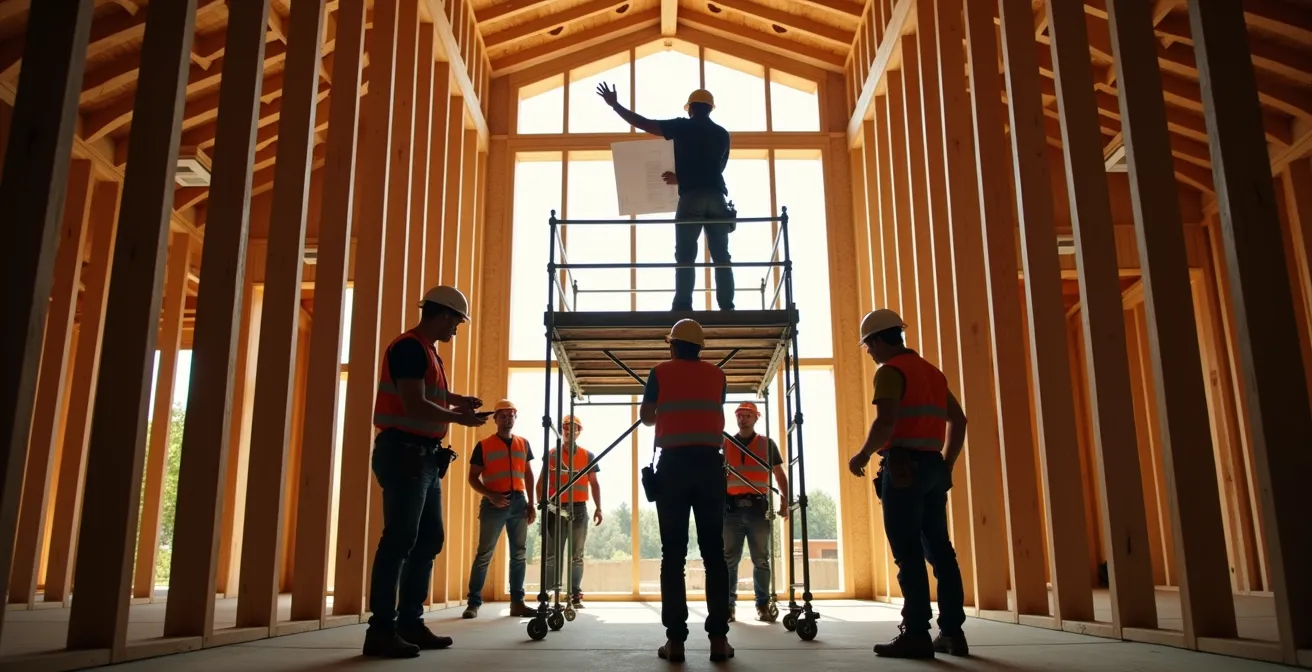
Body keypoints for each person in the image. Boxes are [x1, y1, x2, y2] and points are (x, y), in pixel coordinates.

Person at [365, 285, 489, 658]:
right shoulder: (408, 347)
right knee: (400, 540)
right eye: (457, 322)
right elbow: (412, 403)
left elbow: (425, 393)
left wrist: (456, 400)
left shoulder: (427, 352)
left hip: (422, 457)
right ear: (444, 315)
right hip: (404, 454)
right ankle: (381, 629)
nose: (456, 329)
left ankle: (409, 622)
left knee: (428, 538)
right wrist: (459, 419)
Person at [846, 309, 969, 659]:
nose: (869, 352)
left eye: (868, 346)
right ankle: (952, 633)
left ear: (879, 340)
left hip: (902, 469)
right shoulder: (931, 372)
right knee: (941, 552)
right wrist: (946, 463)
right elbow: (958, 421)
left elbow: (885, 423)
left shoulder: (890, 371)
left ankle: (915, 632)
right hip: (931, 467)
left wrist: (863, 454)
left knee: (908, 553)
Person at [640, 318, 733, 662]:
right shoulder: (718, 375)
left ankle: (676, 642)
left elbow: (648, 417)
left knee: (673, 555)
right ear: (700, 347)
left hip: (674, 467)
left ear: (673, 345)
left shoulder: (660, 372)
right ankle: (719, 641)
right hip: (710, 466)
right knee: (714, 555)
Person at [596, 84, 735, 312]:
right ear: (710, 109)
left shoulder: (682, 126)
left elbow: (645, 124)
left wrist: (615, 106)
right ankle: (727, 307)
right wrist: (682, 178)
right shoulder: (722, 134)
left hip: (691, 198)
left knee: (685, 254)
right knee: (721, 256)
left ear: (690, 108)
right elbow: (716, 169)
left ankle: (682, 305)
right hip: (717, 197)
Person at [463, 399, 537, 619]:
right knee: (484, 554)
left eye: (511, 415)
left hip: (519, 502)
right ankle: (473, 603)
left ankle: (517, 603)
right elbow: (472, 478)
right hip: (493, 504)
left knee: (519, 554)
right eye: (503, 415)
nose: (507, 419)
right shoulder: (484, 445)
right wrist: (491, 495)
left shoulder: (523, 443)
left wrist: (531, 503)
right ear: (495, 419)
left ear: (515, 417)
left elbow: (529, 474)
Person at [722, 402, 789, 624]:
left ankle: (762, 605)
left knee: (761, 559)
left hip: (757, 508)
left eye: (748, 415)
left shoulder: (767, 444)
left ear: (756, 418)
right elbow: (719, 475)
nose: (743, 419)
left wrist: (784, 499)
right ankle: (728, 607)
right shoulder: (726, 443)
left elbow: (779, 473)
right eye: (740, 415)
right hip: (731, 507)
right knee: (729, 560)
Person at [539, 414, 602, 610]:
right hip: (555, 509)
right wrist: (541, 503)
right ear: (562, 430)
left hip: (579, 509)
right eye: (566, 427)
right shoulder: (551, 454)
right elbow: (542, 481)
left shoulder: (587, 455)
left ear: (578, 432)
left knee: (577, 554)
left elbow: (594, 483)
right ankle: (550, 593)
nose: (569, 430)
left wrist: (599, 507)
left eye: (573, 428)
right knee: (552, 554)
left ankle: (574, 593)